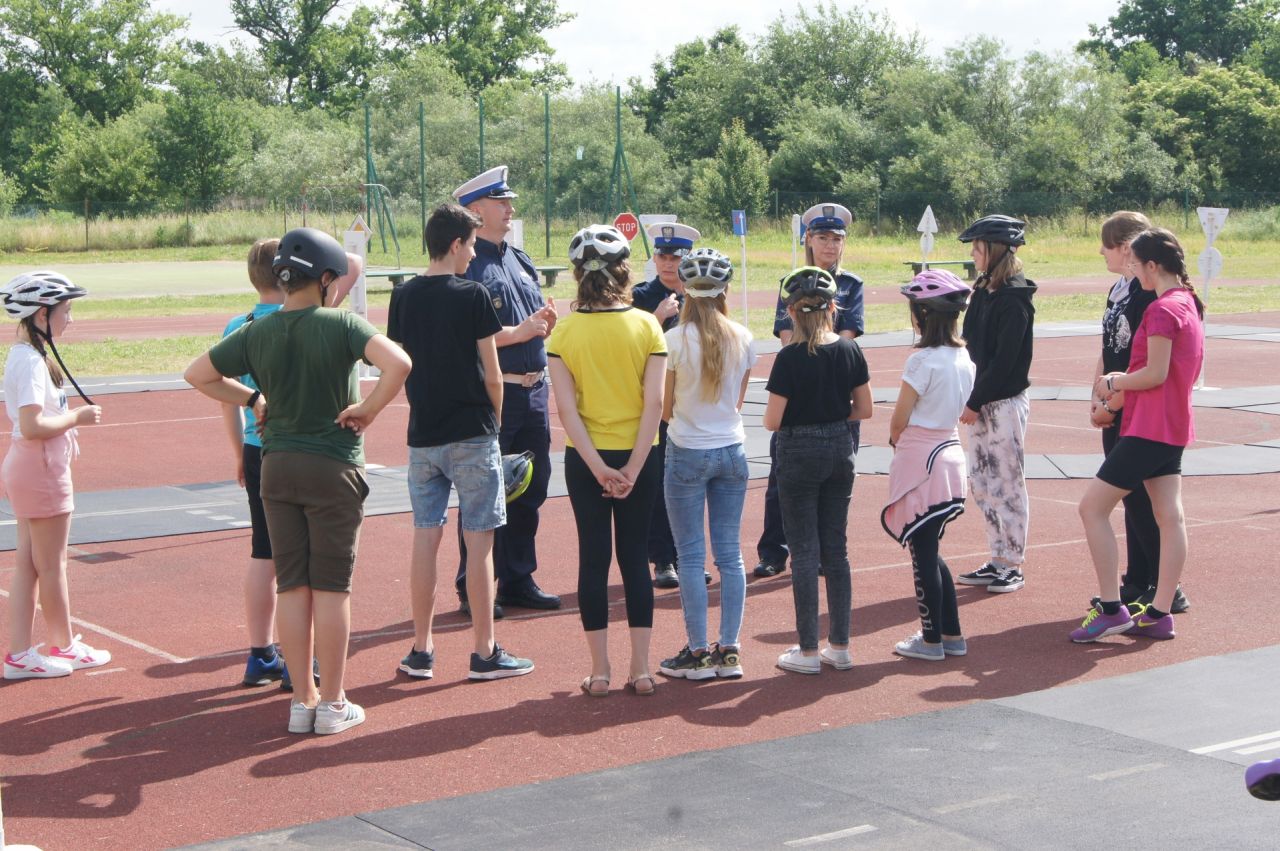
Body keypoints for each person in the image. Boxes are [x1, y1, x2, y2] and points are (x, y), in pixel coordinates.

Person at [185, 227, 411, 735]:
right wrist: (369, 410)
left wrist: (251, 400)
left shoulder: (254, 330)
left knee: (292, 585)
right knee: (332, 587)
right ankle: (332, 702)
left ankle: (301, 701)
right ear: (328, 279)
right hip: (333, 466)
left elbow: (196, 375)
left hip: (277, 466)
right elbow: (399, 363)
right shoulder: (341, 323)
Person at [387, 203, 534, 682]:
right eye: (470, 244)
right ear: (455, 244)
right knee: (480, 543)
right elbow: (493, 374)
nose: (473, 254)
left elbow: (402, 362)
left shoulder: (403, 296)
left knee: (424, 540)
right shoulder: (471, 295)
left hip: (423, 435)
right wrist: (494, 423)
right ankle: (484, 650)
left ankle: (421, 649)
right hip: (471, 432)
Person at [547, 224, 666, 697]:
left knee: (593, 560)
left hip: (586, 459)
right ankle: (641, 670)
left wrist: (597, 467)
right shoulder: (647, 324)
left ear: (578, 275)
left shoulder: (565, 330)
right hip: (641, 455)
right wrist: (633, 468)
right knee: (635, 559)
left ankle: (600, 672)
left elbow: (566, 410)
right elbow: (654, 405)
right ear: (624, 270)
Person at [1071, 227, 1204, 643]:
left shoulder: (1164, 309)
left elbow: (1155, 373)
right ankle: (1161, 611)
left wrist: (1115, 381)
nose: (1135, 275)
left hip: (1149, 427)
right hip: (1173, 426)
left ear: (1151, 266)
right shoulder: (1189, 303)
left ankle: (1112, 609)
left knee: (1092, 509)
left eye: (1137, 266)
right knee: (1170, 516)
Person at [452, 165, 561, 616]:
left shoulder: (519, 258)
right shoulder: (466, 262)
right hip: (495, 392)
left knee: (530, 489)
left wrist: (541, 326)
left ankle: (518, 578)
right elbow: (462, 334)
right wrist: (519, 333)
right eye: (501, 203)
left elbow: (530, 320)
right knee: (485, 491)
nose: (510, 209)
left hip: (533, 391)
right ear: (476, 210)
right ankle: (474, 586)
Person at [763, 266, 873, 675]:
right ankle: (840, 645)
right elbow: (864, 409)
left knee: (804, 552)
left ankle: (808, 649)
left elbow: (772, 421)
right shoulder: (849, 350)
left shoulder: (788, 357)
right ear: (833, 309)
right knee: (836, 550)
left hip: (797, 450)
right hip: (840, 447)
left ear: (791, 312)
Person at [1, 271, 109, 680]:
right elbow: (32, 425)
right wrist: (77, 417)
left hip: (31, 467)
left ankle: (20, 653)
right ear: (42, 314)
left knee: (29, 564)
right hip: (40, 468)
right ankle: (62, 645)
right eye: (66, 311)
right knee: (51, 565)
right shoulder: (29, 361)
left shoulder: (25, 356)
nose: (70, 319)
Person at [655, 248, 756, 681]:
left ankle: (698, 652)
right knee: (730, 555)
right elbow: (737, 400)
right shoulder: (743, 337)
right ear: (725, 291)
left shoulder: (673, 340)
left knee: (691, 557)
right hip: (732, 450)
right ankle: (729, 649)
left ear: (686, 291)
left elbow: (664, 409)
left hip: (687, 450)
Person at [755, 203, 865, 579]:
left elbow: (846, 337)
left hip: (835, 395)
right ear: (809, 240)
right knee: (779, 482)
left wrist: (814, 355)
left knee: (834, 487)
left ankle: (824, 551)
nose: (830, 246)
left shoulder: (852, 285)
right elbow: (788, 337)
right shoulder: (791, 281)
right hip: (796, 393)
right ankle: (774, 551)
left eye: (837, 239)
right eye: (823, 238)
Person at [1087, 212, 1189, 614]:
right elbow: (1109, 345)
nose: (1102, 251)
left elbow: (1143, 362)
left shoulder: (1151, 295)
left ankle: (1162, 587)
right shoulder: (1119, 289)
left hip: (1135, 408)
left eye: (1107, 244)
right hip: (1116, 401)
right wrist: (1096, 395)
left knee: (1142, 503)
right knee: (1132, 501)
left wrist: (1113, 400)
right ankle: (1137, 581)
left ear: (1128, 248)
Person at [881, 270, 975, 661]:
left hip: (922, 462)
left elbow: (899, 420)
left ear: (921, 313)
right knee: (931, 550)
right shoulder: (964, 357)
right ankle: (951, 635)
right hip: (951, 456)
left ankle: (931, 638)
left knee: (922, 556)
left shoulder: (921, 360)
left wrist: (895, 440)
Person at [955, 214, 1037, 594]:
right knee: (982, 483)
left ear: (997, 249)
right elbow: (971, 345)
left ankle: (1014, 562)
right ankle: (996, 555)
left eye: (978, 247)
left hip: (1001, 403)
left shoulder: (1014, 299)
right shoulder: (985, 291)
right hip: (980, 401)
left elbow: (1004, 362)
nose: (973, 254)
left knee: (1007, 482)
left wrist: (975, 400)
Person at [221, 239, 290, 689]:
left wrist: (237, 453)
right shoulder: (297, 320)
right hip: (292, 446)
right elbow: (352, 264)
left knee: (263, 550)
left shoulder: (238, 324)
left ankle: (261, 651)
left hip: (253, 445)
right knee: (299, 557)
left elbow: (223, 397)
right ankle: (301, 656)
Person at [630, 221, 707, 589]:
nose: (667, 263)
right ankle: (663, 559)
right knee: (660, 482)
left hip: (693, 403)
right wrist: (657, 319)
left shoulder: (702, 295)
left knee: (692, 483)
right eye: (662, 255)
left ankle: (689, 556)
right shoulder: (641, 297)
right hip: (656, 405)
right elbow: (631, 353)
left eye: (675, 256)